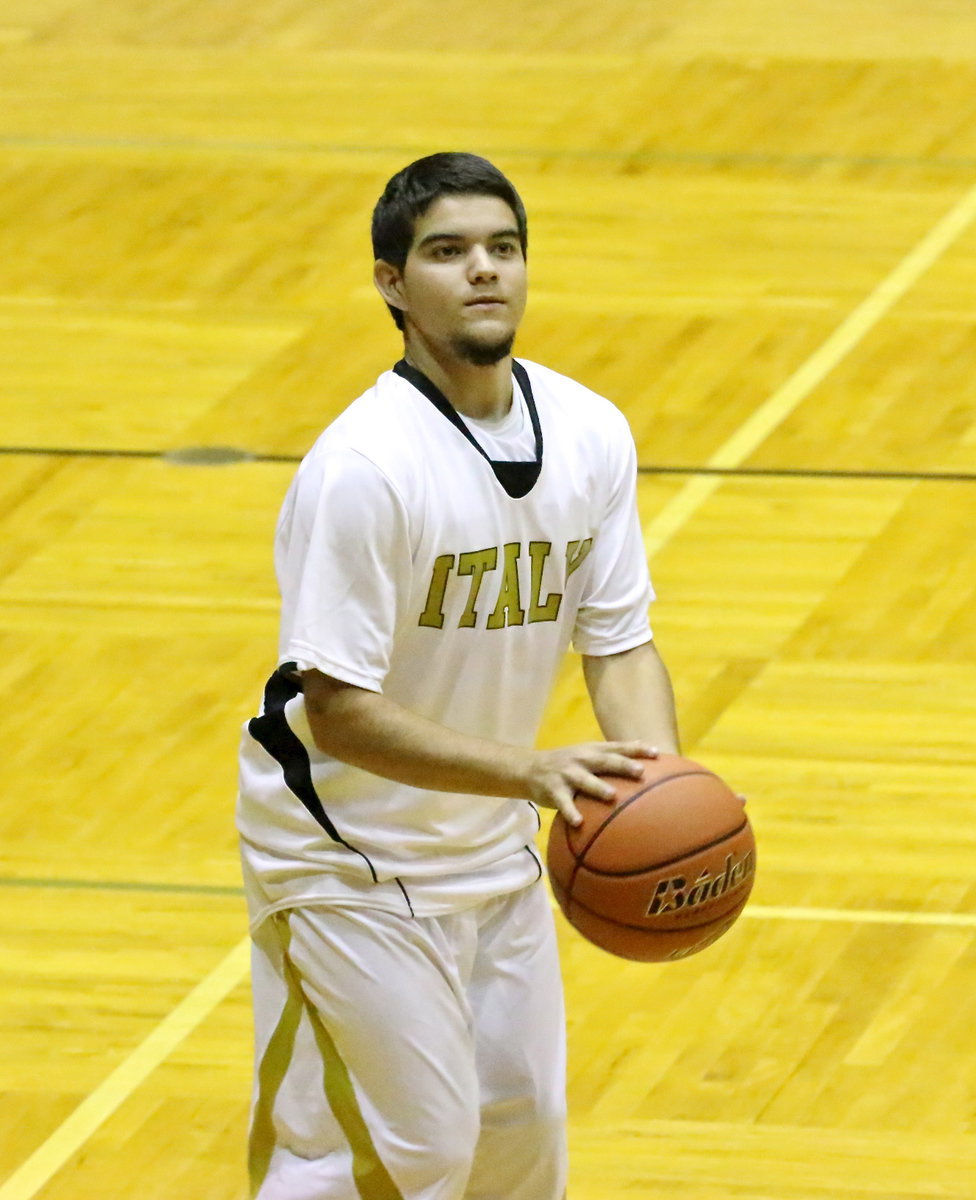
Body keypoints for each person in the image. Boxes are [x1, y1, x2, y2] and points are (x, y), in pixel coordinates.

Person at [237, 151, 681, 1200]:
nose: (484, 271)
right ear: (392, 282)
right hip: (345, 857)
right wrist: (530, 774)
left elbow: (617, 641)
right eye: (447, 252)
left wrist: (658, 785)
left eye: (503, 248)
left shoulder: (587, 430)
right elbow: (337, 713)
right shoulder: (362, 469)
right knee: (405, 1151)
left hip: (488, 845)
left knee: (522, 1137)